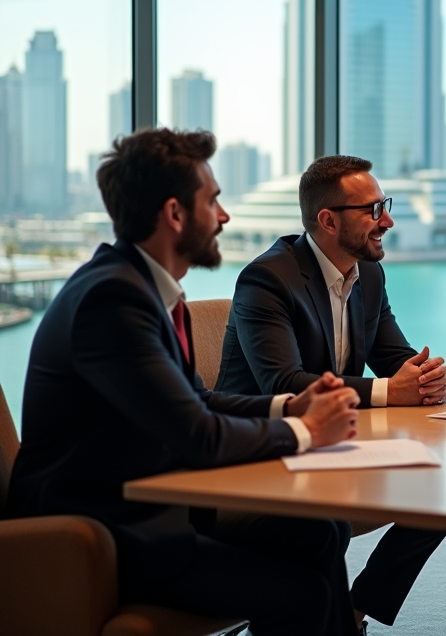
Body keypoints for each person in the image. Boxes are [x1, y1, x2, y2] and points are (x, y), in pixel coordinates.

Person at [3, 129, 366, 636]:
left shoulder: (145, 289)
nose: (224, 216)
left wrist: (289, 407)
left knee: (319, 530)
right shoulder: (112, 300)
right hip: (99, 534)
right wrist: (310, 433)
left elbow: (198, 400)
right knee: (302, 593)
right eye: (212, 200)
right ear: (175, 214)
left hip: (147, 513)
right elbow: (197, 434)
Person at [217, 154, 446, 630]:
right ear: (327, 221)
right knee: (326, 522)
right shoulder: (267, 280)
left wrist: (424, 376)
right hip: (261, 455)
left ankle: (352, 611)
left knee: (442, 491)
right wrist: (392, 390)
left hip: (334, 445)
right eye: (372, 210)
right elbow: (286, 384)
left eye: (384, 205)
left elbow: (394, 358)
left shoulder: (371, 274)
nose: (387, 220)